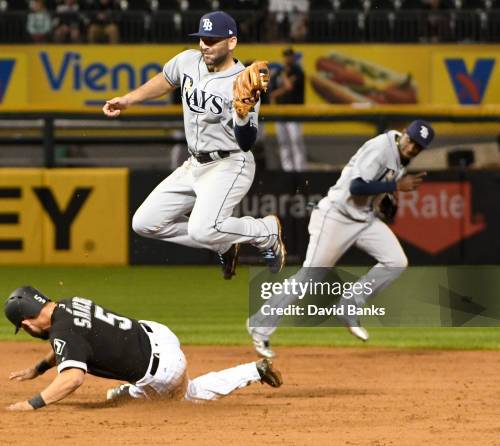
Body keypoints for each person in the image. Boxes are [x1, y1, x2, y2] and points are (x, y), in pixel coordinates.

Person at [103, 11, 286, 280]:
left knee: (202, 230)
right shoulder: (188, 60)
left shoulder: (243, 82)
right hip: (193, 164)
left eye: (212, 40)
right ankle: (224, 242)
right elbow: (165, 80)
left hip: (229, 163)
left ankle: (265, 231)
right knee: (144, 223)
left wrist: (243, 114)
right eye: (202, 38)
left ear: (231, 42)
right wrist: (129, 100)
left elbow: (246, 143)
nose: (204, 45)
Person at [247, 120, 435, 358]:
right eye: (411, 140)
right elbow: (357, 187)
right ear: (405, 133)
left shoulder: (402, 159)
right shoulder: (381, 147)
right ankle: (259, 325)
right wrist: (395, 185)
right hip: (335, 216)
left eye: (418, 146)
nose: (412, 147)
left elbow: (376, 192)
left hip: (364, 219)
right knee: (309, 277)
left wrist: (388, 200)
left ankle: (350, 303)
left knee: (396, 261)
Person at [4, 286, 283, 410]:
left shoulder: (62, 330)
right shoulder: (67, 303)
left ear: (27, 322)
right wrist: (39, 368)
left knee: (190, 397)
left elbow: (73, 378)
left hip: (162, 369)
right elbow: (70, 344)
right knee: (127, 393)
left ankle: (253, 371)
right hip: (157, 333)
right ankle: (129, 393)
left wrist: (32, 404)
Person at [270, 48, 306, 172]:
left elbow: (290, 87)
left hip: (294, 112)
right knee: (283, 143)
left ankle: (300, 170)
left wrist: (285, 76)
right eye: (285, 56)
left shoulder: (298, 72)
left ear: (293, 57)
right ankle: (288, 170)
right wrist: (282, 88)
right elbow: (272, 94)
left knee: (296, 141)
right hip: (280, 112)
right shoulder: (278, 73)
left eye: (289, 56)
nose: (287, 58)